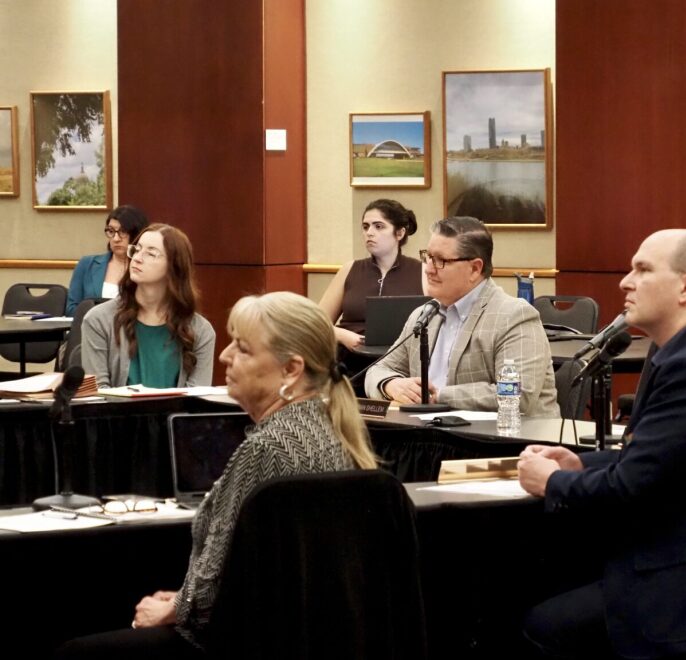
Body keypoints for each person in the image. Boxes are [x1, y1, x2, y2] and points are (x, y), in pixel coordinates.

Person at [55, 292, 378, 658]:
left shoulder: (268, 448)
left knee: (75, 652)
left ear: (291, 369)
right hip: (306, 639)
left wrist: (176, 607)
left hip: (236, 644)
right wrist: (183, 598)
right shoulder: (334, 431)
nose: (224, 355)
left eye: (242, 348)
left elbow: (214, 589)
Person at [517, 229, 686, 659]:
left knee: (536, 621)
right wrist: (581, 464)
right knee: (542, 579)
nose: (626, 282)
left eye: (642, 270)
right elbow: (665, 457)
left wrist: (552, 482)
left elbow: (630, 488)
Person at [365, 216, 559, 415]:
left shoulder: (514, 316)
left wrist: (437, 396)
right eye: (428, 257)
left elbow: (518, 393)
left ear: (474, 269)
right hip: (426, 430)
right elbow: (376, 371)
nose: (429, 269)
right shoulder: (423, 315)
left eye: (440, 260)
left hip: (502, 433)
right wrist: (390, 384)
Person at [81, 223, 215, 388]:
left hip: (178, 407)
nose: (137, 258)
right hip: (113, 406)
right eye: (136, 250)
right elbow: (97, 393)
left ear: (174, 266)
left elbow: (197, 398)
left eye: (151, 253)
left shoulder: (201, 331)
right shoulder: (98, 320)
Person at [319, 198, 424, 352]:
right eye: (365, 227)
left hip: (401, 360)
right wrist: (342, 335)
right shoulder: (349, 269)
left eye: (379, 226)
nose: (369, 233)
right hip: (349, 357)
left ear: (400, 233)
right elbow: (316, 322)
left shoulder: (422, 271)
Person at [66, 205, 149, 315]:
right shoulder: (87, 264)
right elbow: (71, 309)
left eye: (123, 231)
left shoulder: (146, 267)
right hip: (92, 324)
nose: (116, 239)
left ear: (137, 234)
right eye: (111, 231)